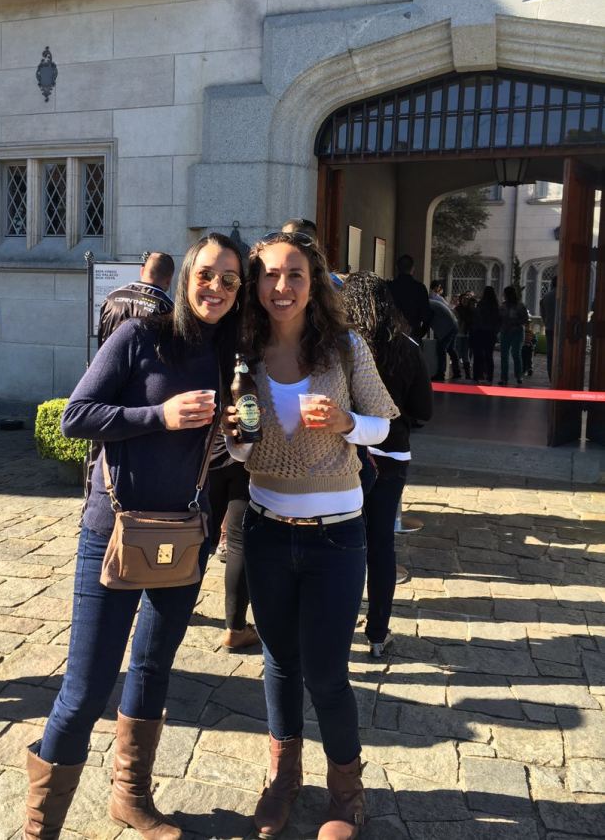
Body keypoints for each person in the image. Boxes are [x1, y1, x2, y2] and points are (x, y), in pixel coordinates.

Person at [22, 234, 244, 840]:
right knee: (87, 686)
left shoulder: (230, 355)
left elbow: (228, 448)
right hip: (114, 531)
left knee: (152, 667)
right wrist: (160, 416)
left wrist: (228, 432)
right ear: (185, 276)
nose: (216, 287)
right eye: (207, 274)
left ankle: (131, 797)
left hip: (182, 534)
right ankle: (40, 828)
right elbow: (76, 415)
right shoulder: (141, 336)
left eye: (229, 278)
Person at [223, 230, 398, 840]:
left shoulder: (346, 349)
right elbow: (240, 451)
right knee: (278, 662)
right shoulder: (244, 355)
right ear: (256, 285)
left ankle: (346, 795)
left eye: (294, 274)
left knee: (326, 672)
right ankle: (283, 779)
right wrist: (233, 434)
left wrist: (350, 422)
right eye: (269, 275)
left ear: (313, 281)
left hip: (337, 537)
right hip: (269, 532)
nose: (281, 286)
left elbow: (385, 428)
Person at [342, 272, 433, 659]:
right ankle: (378, 633)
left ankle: (340, 626)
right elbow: (424, 410)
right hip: (392, 455)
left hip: (349, 456)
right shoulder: (407, 347)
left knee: (345, 545)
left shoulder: (342, 346)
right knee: (381, 546)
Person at [207, 433, 259, 652]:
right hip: (247, 453)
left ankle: (173, 608)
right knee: (239, 544)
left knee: (196, 535)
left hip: (206, 452)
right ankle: (235, 630)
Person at [97, 251, 175, 347]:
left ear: (142, 271)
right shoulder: (167, 308)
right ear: (169, 280)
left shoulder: (111, 298)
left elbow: (101, 342)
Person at [281, 217, 344, 288]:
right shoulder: (271, 281)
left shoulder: (336, 285)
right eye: (286, 239)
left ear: (316, 244)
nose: (296, 245)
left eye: (305, 240)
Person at [387, 254, 430, 341]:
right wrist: (420, 334)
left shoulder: (389, 287)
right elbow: (426, 314)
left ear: (397, 268)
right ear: (412, 268)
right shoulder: (419, 288)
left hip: (392, 335)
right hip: (413, 333)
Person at [499, 286, 530, 386]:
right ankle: (504, 378)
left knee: (516, 354)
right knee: (504, 355)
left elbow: (525, 319)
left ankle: (518, 376)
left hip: (516, 332)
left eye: (505, 294)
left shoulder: (520, 306)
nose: (504, 296)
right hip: (505, 332)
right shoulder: (503, 306)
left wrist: (515, 323)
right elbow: (499, 318)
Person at [471, 286, 501, 384]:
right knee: (489, 356)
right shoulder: (495, 306)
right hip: (491, 333)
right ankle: (490, 377)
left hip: (479, 332)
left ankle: (476, 376)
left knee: (477, 355)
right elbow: (498, 321)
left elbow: (476, 318)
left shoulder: (480, 304)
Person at [428, 290, 459, 381]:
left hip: (448, 327)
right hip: (453, 325)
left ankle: (441, 373)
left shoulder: (428, 306)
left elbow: (427, 322)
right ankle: (457, 372)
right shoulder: (432, 303)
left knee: (441, 349)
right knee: (451, 349)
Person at [454, 292, 476, 379]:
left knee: (465, 354)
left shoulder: (470, 310)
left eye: (466, 299)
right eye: (463, 299)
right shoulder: (458, 309)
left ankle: (466, 374)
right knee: (458, 354)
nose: (464, 301)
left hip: (466, 334)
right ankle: (458, 373)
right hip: (459, 334)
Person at [540, 275, 557, 381]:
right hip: (563, 329)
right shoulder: (566, 295)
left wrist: (547, 322)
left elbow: (543, 314)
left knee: (550, 353)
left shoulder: (546, 296)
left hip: (549, 327)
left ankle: (551, 376)